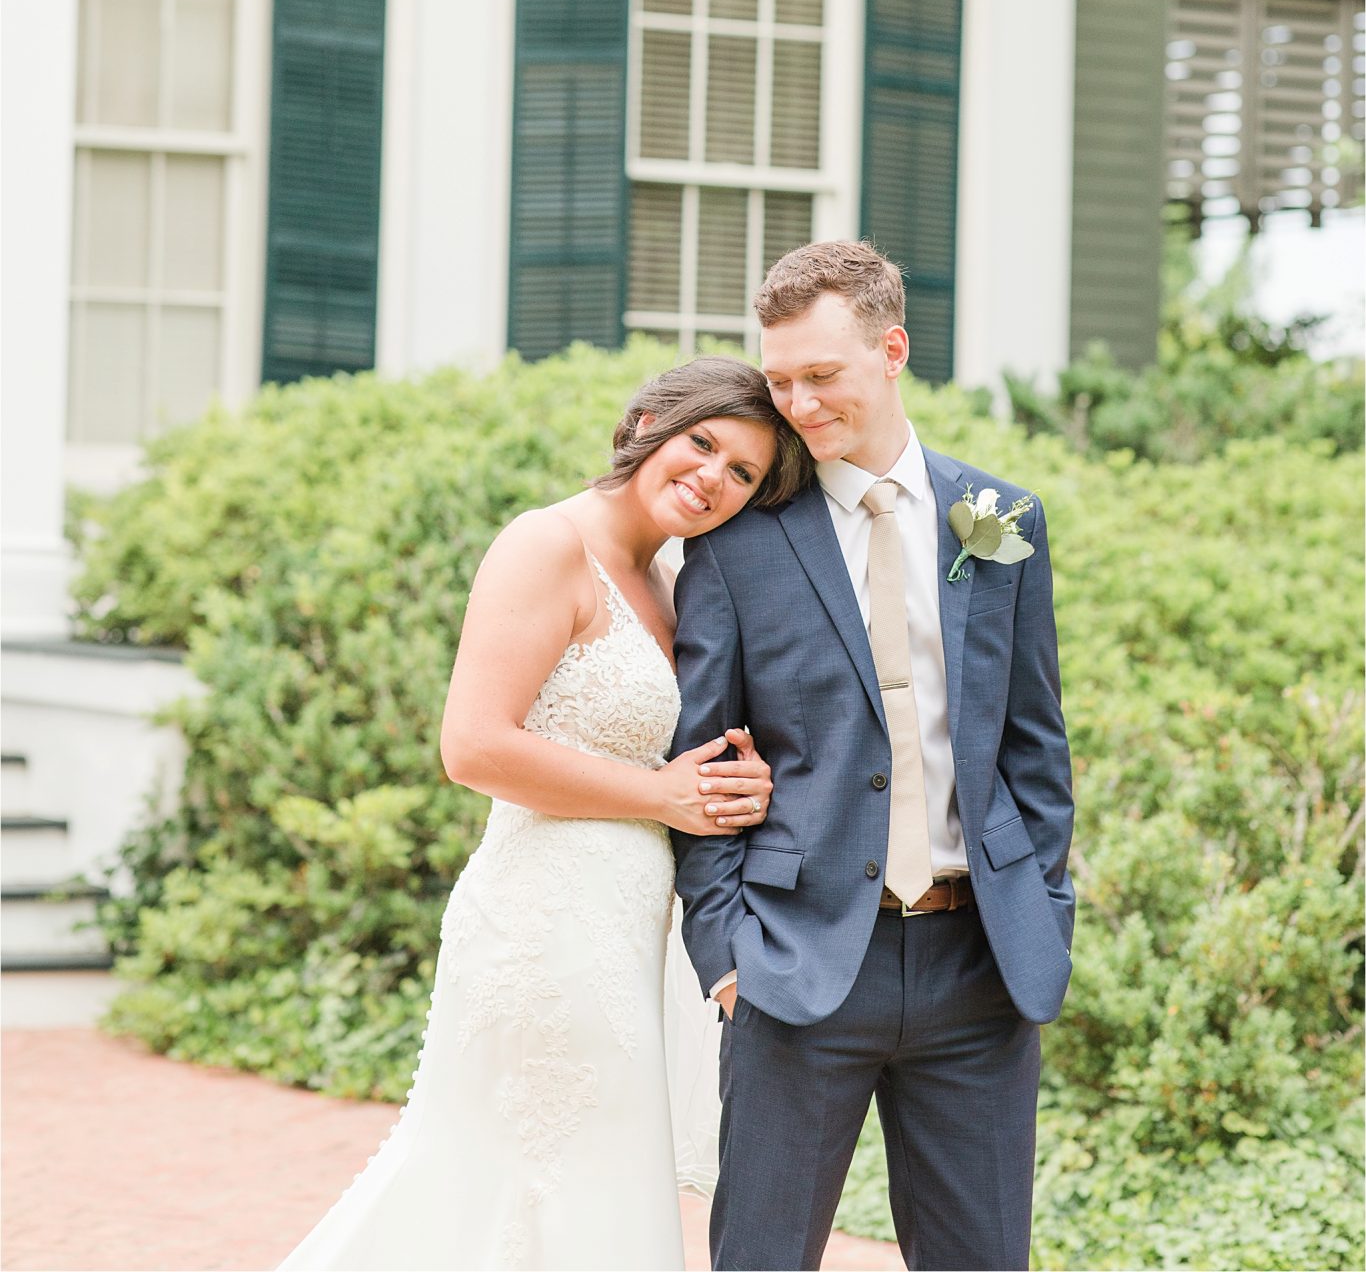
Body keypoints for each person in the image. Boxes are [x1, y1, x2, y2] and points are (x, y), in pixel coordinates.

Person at [277, 354, 811, 1272]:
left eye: (742, 474)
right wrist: (664, 796)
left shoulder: (678, 582)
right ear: (648, 422)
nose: (712, 479)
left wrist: (735, 782)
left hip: (628, 923)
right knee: (520, 1181)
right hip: (541, 923)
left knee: (592, 1188)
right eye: (703, 444)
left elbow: (678, 750)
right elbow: (474, 746)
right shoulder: (547, 544)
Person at [671, 240, 1075, 1272]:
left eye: (821, 374)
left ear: (891, 349)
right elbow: (701, 757)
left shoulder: (1000, 520)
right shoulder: (736, 545)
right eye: (780, 379)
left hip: (977, 968)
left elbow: (1035, 748)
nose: (796, 404)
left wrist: (1040, 910)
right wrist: (726, 956)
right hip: (796, 965)